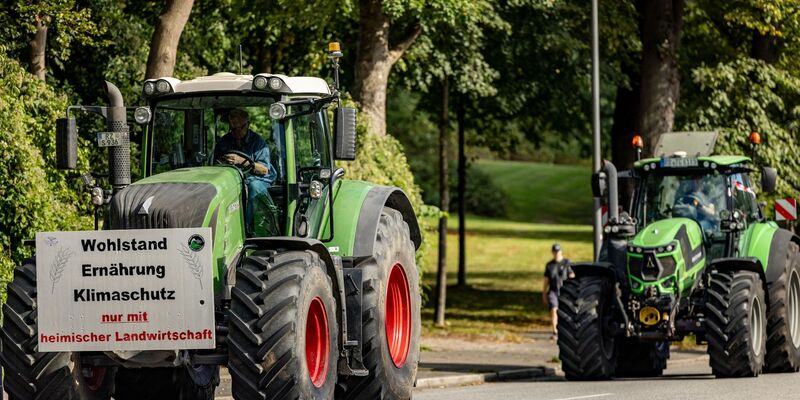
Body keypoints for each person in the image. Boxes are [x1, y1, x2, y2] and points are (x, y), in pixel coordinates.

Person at [214, 108, 279, 235]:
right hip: (233, 179)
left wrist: (241, 160)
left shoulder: (258, 142)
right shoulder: (224, 142)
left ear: (247, 124)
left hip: (258, 179)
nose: (237, 131)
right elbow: (215, 164)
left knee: (253, 186)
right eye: (233, 128)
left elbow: (264, 169)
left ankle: (250, 229)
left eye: (240, 127)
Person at [542, 243, 574, 340]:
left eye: (558, 251)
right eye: (555, 251)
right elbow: (546, 280)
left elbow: (572, 276)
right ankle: (555, 331)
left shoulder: (567, 263)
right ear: (552, 252)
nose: (556, 253)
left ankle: (567, 331)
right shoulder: (550, 265)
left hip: (565, 291)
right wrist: (544, 293)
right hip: (553, 291)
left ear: (561, 251)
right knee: (553, 309)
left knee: (566, 311)